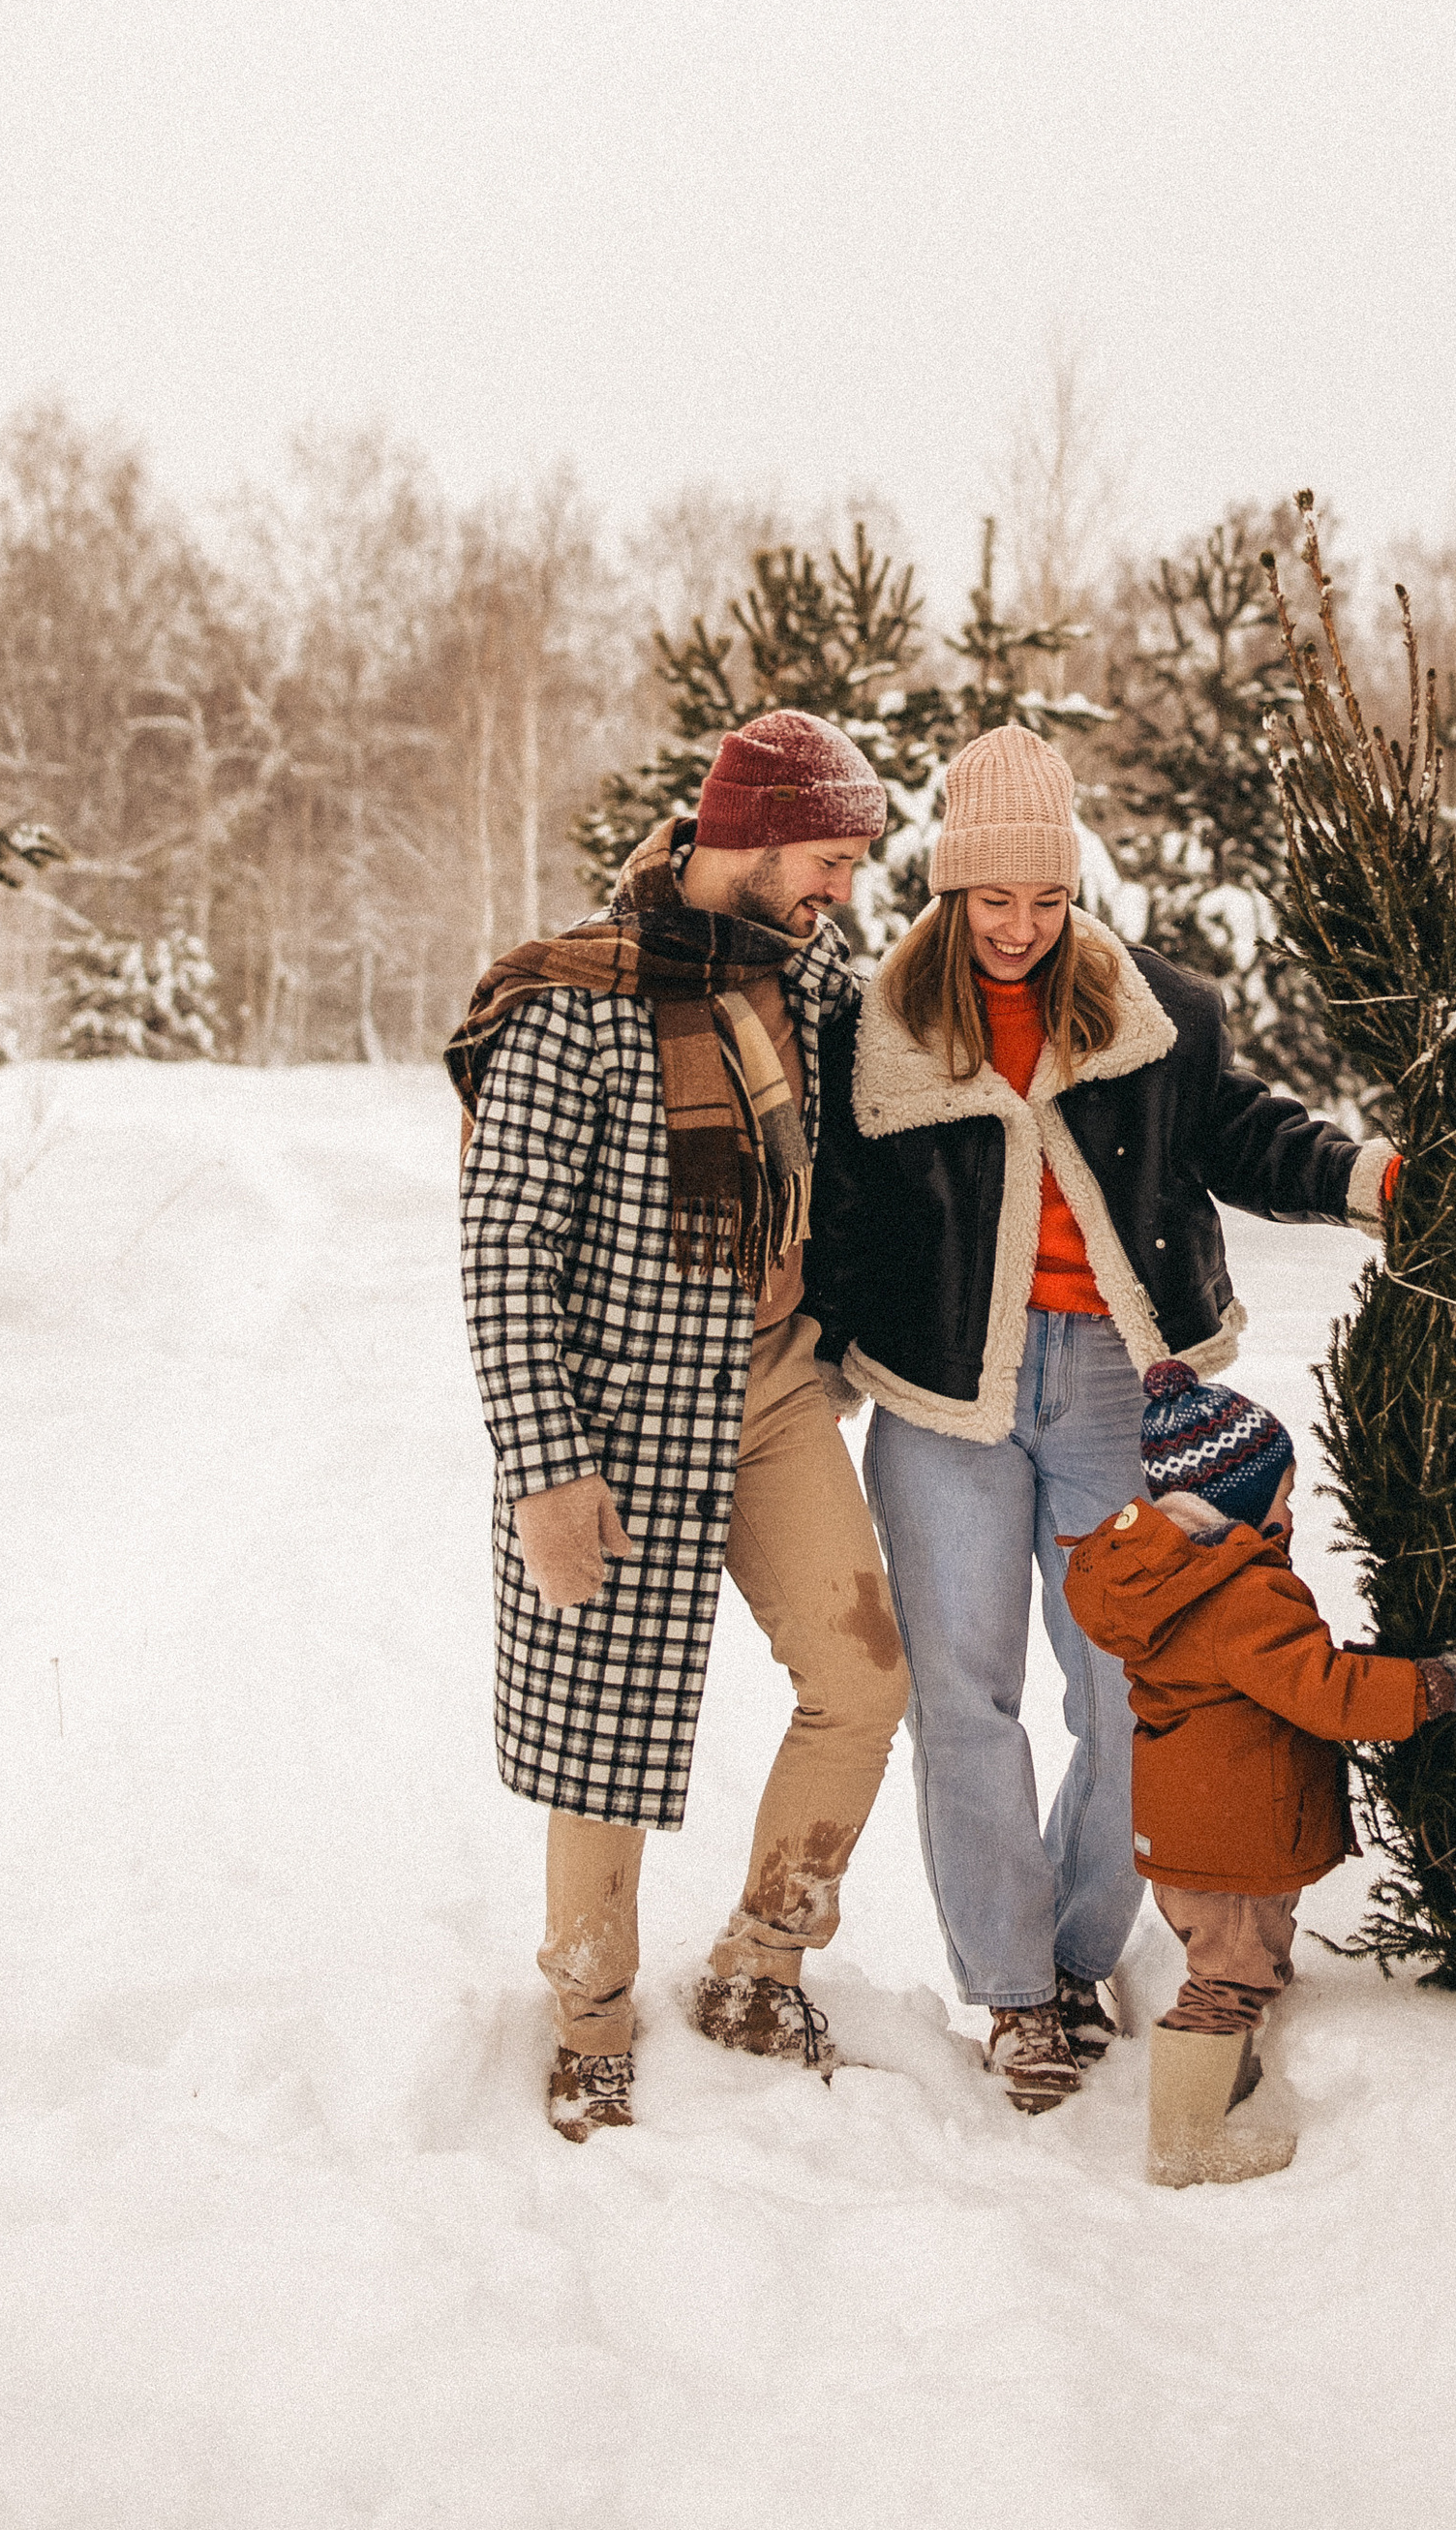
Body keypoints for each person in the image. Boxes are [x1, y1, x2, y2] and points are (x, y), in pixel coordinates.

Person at [806, 721, 1398, 2117]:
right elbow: (835, 1222)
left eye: (1048, 900)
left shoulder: (1158, 1014)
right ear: (949, 893)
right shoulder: (875, 1028)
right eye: (993, 900)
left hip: (1118, 1395)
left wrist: (1372, 1181)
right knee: (966, 1703)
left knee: (1135, 1691)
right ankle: (1013, 1991)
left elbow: (1247, 1135)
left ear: (1077, 892)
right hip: (944, 1400)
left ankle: (1079, 1953)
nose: (1021, 929)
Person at [448, 708, 910, 2142]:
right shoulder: (570, 1004)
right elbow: (504, 1248)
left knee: (864, 1678)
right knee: (603, 1735)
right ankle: (589, 2021)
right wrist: (547, 1466)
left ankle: (761, 1967)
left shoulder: (806, 971)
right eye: (828, 859)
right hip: (616, 1417)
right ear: (753, 840)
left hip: (769, 1391)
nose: (843, 889)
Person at [1066, 1360, 1456, 2183]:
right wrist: (1440, 1685)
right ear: (1240, 1501)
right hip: (1235, 1834)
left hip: (1198, 1823)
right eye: (1283, 1492)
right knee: (1225, 1982)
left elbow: (1282, 1679)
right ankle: (1185, 2147)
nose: (1291, 1509)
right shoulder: (1239, 1597)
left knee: (1237, 1965)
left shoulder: (1169, 1581)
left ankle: (1223, 2087)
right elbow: (1327, 1693)